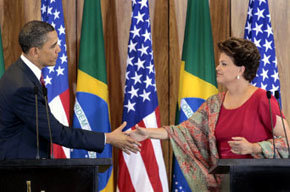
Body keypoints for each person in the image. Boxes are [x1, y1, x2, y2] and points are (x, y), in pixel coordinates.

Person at [128, 37, 290, 191]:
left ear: (240, 69)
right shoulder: (214, 104)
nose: (217, 68)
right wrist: (148, 133)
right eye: (219, 63)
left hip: (258, 183)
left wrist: (254, 147)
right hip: (224, 185)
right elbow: (183, 132)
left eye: (224, 64)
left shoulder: (262, 99)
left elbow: (287, 142)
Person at [0, 20, 140, 160]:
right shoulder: (22, 86)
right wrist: (108, 138)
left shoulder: (21, 74)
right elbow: (56, 132)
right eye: (53, 46)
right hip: (18, 172)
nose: (59, 49)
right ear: (35, 52)